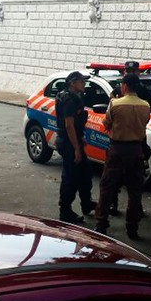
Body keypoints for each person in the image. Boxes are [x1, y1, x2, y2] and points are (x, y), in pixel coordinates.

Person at [96, 73, 150, 240]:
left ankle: (101, 224)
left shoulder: (115, 104)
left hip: (117, 150)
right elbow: (144, 124)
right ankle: (132, 228)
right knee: (134, 191)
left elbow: (106, 124)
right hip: (136, 151)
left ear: (124, 86)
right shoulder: (145, 105)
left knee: (107, 187)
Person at [109, 60, 151, 215]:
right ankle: (113, 205)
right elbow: (110, 114)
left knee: (135, 179)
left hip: (137, 140)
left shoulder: (145, 91)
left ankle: (136, 208)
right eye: (127, 70)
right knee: (114, 178)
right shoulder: (117, 89)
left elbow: (150, 110)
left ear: (138, 73)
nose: (129, 73)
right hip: (121, 139)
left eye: (133, 71)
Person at [55, 71, 97, 224]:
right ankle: (65, 211)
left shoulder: (73, 96)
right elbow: (69, 125)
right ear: (72, 83)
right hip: (68, 143)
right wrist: (76, 148)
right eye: (81, 81)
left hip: (72, 140)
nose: (84, 84)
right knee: (70, 178)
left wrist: (80, 139)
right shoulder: (69, 100)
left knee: (85, 173)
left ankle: (86, 204)